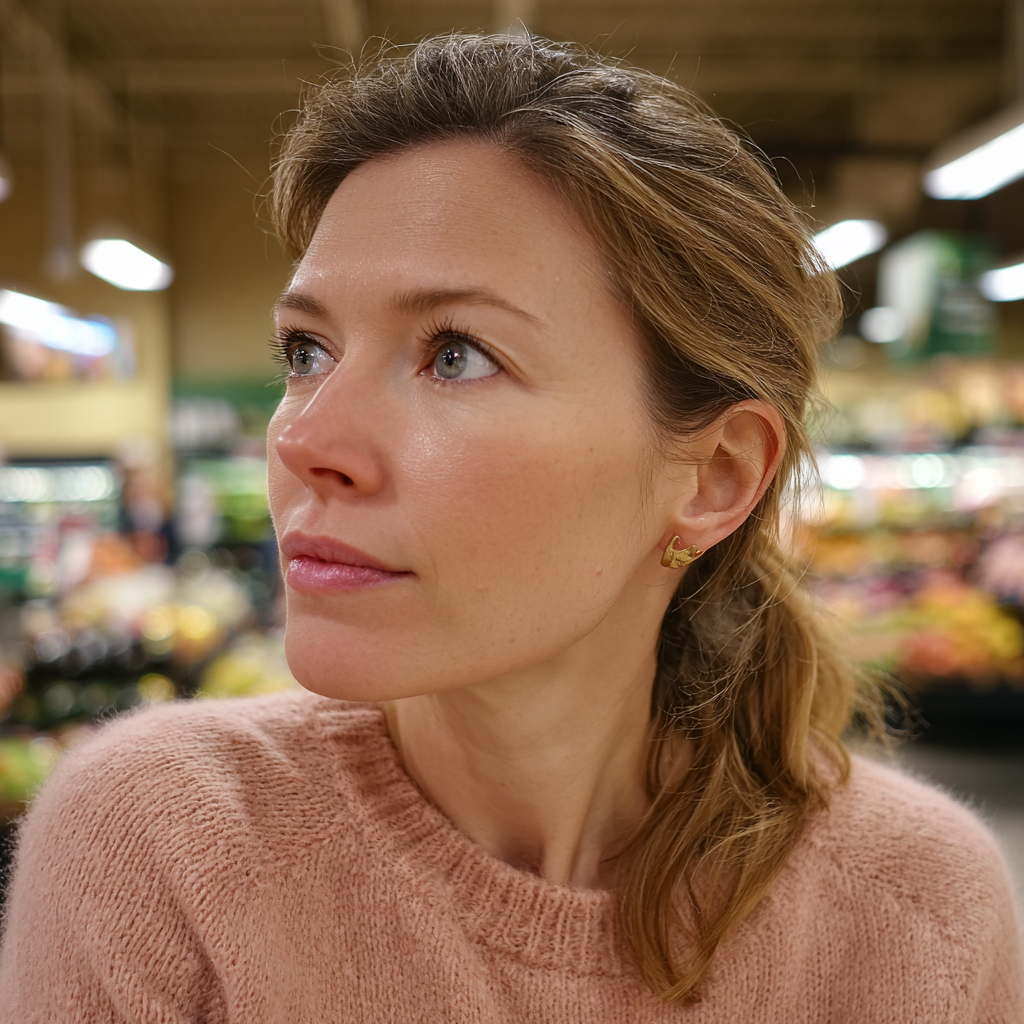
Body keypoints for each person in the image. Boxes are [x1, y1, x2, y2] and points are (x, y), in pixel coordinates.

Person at [1, 34, 1021, 1022]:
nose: (305, 439)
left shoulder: (917, 914)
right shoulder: (160, 841)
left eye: (456, 355)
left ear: (714, 476)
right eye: (306, 349)